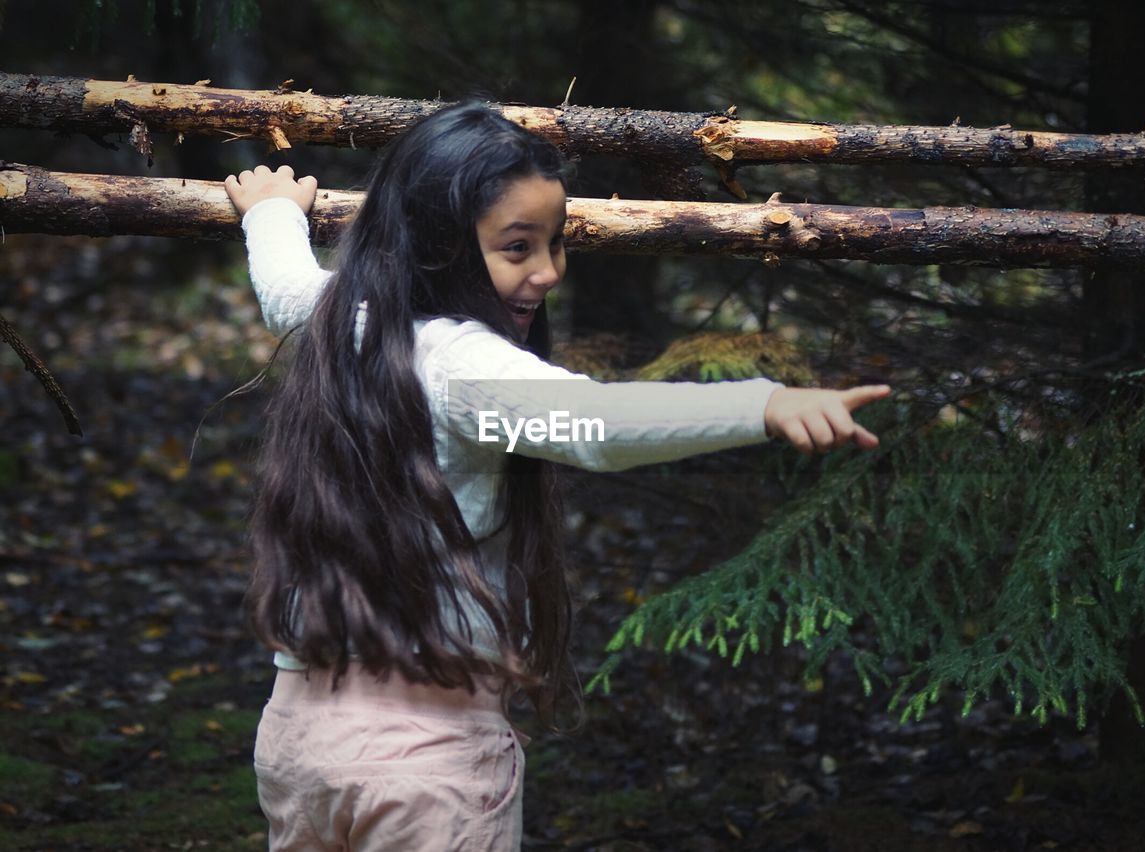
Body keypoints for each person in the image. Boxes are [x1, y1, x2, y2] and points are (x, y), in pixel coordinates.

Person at [224, 102, 890, 852]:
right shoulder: (465, 368)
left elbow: (283, 287)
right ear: (438, 248)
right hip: (425, 758)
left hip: (297, 739)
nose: (548, 272)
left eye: (555, 241)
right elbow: (594, 426)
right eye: (517, 247)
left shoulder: (347, 314)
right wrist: (763, 403)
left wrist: (272, 213)